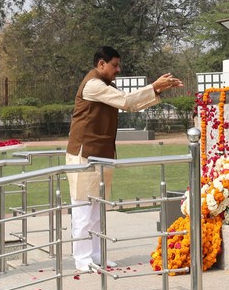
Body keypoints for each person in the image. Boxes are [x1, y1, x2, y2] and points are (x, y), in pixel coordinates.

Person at [66, 46, 183, 271]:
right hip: (85, 155)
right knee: (83, 210)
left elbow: (129, 104)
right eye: (114, 65)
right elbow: (126, 101)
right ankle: (82, 259)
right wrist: (154, 86)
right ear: (101, 64)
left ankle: (97, 256)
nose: (118, 70)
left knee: (98, 211)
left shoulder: (105, 85)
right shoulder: (93, 85)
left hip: (100, 154)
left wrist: (157, 90)